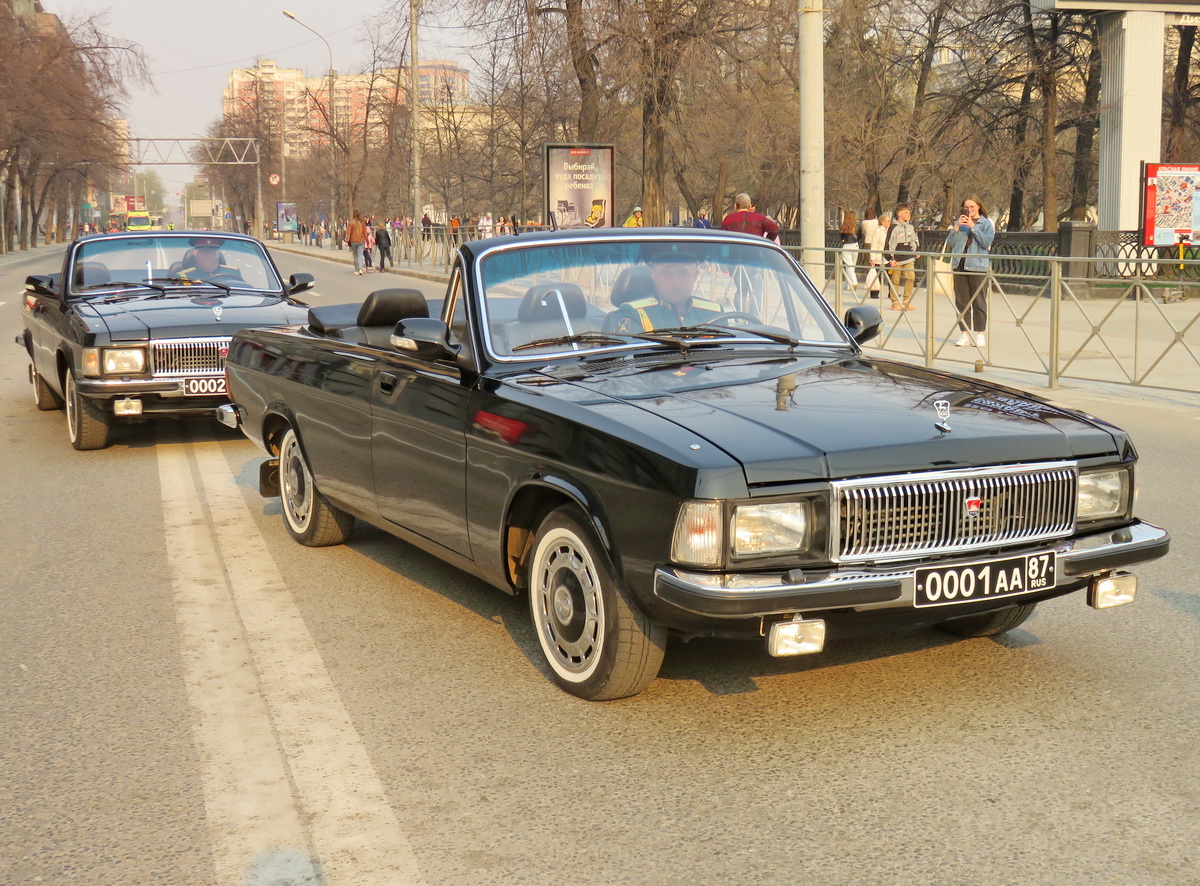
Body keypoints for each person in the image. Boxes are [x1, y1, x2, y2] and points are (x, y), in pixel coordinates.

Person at [604, 246, 722, 333]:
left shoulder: (714, 313)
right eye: (667, 274)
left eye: (683, 274)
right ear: (654, 276)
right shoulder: (632, 314)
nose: (676, 283)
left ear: (695, 275)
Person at [944, 195, 995, 346]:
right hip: (960, 264)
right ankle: (964, 333)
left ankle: (980, 334)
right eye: (966, 207)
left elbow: (986, 242)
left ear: (978, 206)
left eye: (972, 207)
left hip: (977, 266)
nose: (969, 210)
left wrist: (973, 226)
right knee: (961, 301)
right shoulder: (959, 222)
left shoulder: (986, 223)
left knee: (979, 301)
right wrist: (956, 227)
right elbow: (950, 243)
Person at [885, 203, 919, 311]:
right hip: (896, 258)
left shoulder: (910, 227)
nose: (908, 214)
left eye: (909, 212)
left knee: (911, 277)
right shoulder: (893, 227)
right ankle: (894, 302)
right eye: (906, 212)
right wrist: (890, 258)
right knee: (895, 280)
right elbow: (889, 243)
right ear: (899, 214)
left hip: (908, 257)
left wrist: (916, 251)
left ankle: (906, 300)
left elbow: (914, 239)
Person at [866, 211, 890, 299]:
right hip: (878, 256)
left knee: (890, 275)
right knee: (876, 276)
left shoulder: (889, 231)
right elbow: (874, 245)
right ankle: (874, 293)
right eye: (888, 221)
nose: (889, 223)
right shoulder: (878, 231)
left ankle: (892, 293)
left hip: (888, 256)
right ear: (882, 222)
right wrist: (872, 258)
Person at [838, 210, 859, 292]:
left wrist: (843, 240)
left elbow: (841, 238)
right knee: (852, 265)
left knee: (848, 265)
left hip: (847, 245)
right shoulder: (857, 226)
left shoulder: (843, 226)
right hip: (855, 245)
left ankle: (854, 282)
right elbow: (859, 236)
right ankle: (847, 284)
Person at [347, 210, 368, 274]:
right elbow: (365, 233)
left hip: (353, 241)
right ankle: (361, 268)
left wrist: (347, 240)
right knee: (360, 254)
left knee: (355, 255)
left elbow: (348, 232)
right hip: (361, 240)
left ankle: (357, 270)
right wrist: (367, 240)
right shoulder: (362, 222)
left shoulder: (351, 222)